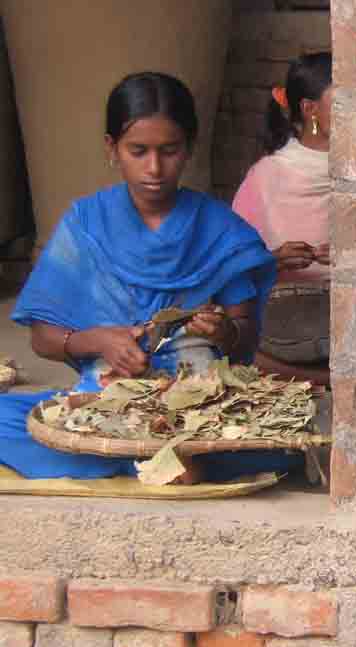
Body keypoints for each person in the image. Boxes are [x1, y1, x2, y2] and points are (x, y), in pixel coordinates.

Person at [0, 72, 302, 482]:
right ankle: (161, 461)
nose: (154, 168)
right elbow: (43, 338)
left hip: (198, 409)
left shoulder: (222, 230)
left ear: (189, 147)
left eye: (169, 150)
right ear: (112, 148)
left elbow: (246, 339)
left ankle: (139, 457)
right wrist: (99, 341)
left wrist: (223, 333)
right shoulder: (86, 223)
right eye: (138, 151)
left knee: (289, 436)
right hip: (105, 401)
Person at [232, 53, 332, 385]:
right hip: (284, 320)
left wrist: (355, 258)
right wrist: (273, 260)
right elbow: (231, 268)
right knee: (228, 339)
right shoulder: (266, 177)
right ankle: (327, 379)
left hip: (353, 308)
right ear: (310, 109)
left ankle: (322, 378)